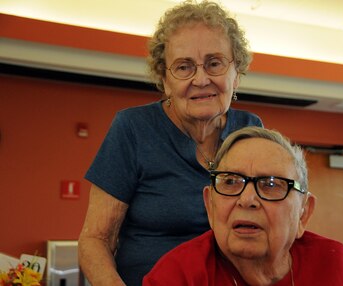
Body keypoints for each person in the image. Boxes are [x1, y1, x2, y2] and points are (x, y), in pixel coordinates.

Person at [78, 1, 263, 285]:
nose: (201, 79)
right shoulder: (133, 129)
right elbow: (95, 239)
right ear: (165, 80)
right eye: (184, 67)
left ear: (236, 73)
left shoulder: (251, 130)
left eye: (214, 63)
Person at [143, 126, 343, 286]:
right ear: (210, 206)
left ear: (303, 213)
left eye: (271, 184)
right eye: (231, 182)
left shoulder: (336, 265)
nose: (247, 200)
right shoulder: (178, 274)